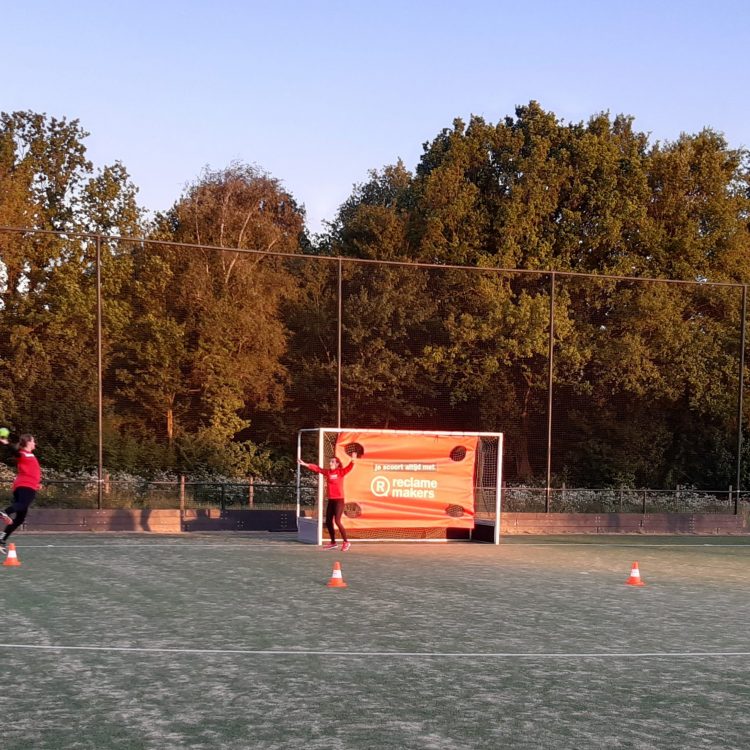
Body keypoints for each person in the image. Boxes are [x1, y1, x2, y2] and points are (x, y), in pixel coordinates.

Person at [298, 454, 355, 551]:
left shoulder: (341, 472)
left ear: (337, 464)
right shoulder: (328, 472)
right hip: (331, 500)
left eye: (333, 462)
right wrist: (305, 464)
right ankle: (333, 542)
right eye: (330, 461)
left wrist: (353, 459)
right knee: (328, 521)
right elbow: (317, 469)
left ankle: (346, 542)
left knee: (337, 521)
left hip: (339, 501)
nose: (330, 463)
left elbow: (350, 467)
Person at [0, 433, 41, 553]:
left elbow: (32, 471)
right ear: (28, 442)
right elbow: (15, 452)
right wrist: (6, 443)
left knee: (19, 518)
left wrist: (37, 483)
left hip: (27, 485)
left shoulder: (30, 455)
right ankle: (4, 512)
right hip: (25, 486)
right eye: (33, 441)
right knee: (22, 505)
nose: (35, 443)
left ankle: (1, 539)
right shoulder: (23, 454)